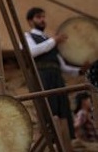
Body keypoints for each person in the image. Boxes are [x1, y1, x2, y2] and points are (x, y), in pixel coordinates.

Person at [25, 7, 83, 138]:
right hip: (42, 77)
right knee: (48, 107)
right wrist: (54, 41)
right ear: (30, 21)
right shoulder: (28, 36)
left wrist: (80, 70)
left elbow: (61, 66)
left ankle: (65, 139)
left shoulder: (49, 40)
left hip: (56, 77)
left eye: (43, 17)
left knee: (62, 107)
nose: (42, 20)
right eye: (38, 17)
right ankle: (51, 140)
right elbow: (32, 52)